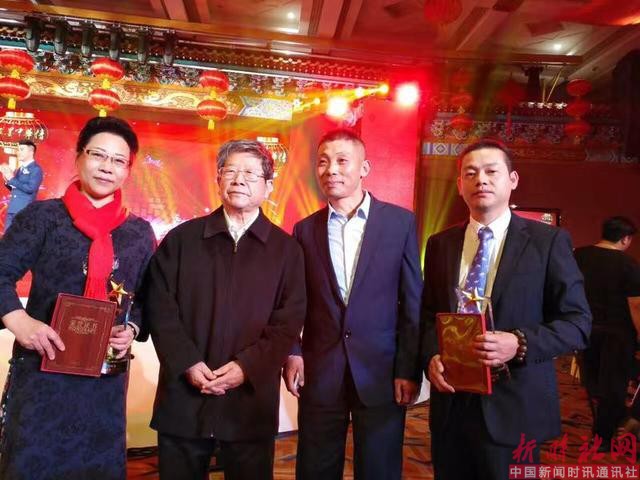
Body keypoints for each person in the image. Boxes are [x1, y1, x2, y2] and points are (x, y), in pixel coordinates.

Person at [420, 138, 591, 480]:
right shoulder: (440, 244)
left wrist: (519, 342)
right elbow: (427, 316)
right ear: (460, 185)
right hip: (452, 406)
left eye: (491, 171)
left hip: (514, 406)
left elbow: (578, 323)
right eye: (471, 173)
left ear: (512, 180)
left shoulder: (547, 242)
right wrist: (431, 356)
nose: (480, 180)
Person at [0, 116, 156, 480]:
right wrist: (18, 320)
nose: (107, 167)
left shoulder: (138, 232)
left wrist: (132, 327)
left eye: (118, 160)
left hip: (104, 381)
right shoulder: (43, 217)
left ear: (128, 169)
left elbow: (151, 296)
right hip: (41, 371)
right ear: (79, 156)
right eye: (98, 155)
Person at [145, 139, 306, 480]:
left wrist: (247, 367)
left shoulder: (286, 250)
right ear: (218, 179)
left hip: (250, 400)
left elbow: (288, 321)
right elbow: (160, 307)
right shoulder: (182, 240)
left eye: (250, 173)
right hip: (185, 397)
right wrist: (187, 362)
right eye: (230, 171)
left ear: (268, 186)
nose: (239, 180)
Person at [283, 129, 423, 480]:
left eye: (342, 161)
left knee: (379, 467)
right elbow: (293, 300)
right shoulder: (304, 230)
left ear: (364, 168)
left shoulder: (399, 223)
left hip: (381, 371)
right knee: (315, 466)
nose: (331, 169)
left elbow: (412, 302)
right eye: (323, 162)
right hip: (321, 369)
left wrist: (408, 369)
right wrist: (293, 351)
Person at [574, 216, 640, 447]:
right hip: (618, 334)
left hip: (585, 328)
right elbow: (636, 306)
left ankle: (614, 422)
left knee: (593, 382)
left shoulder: (578, 256)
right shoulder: (628, 264)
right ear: (626, 239)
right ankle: (603, 437)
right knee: (613, 386)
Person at [2, 139, 43, 233]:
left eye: (22, 149)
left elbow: (30, 189)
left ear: (31, 152)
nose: (18, 152)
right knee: (7, 238)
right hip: (12, 209)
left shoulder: (36, 169)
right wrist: (7, 178)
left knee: (19, 238)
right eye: (18, 149)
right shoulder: (19, 169)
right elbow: (15, 188)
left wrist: (12, 179)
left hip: (23, 210)